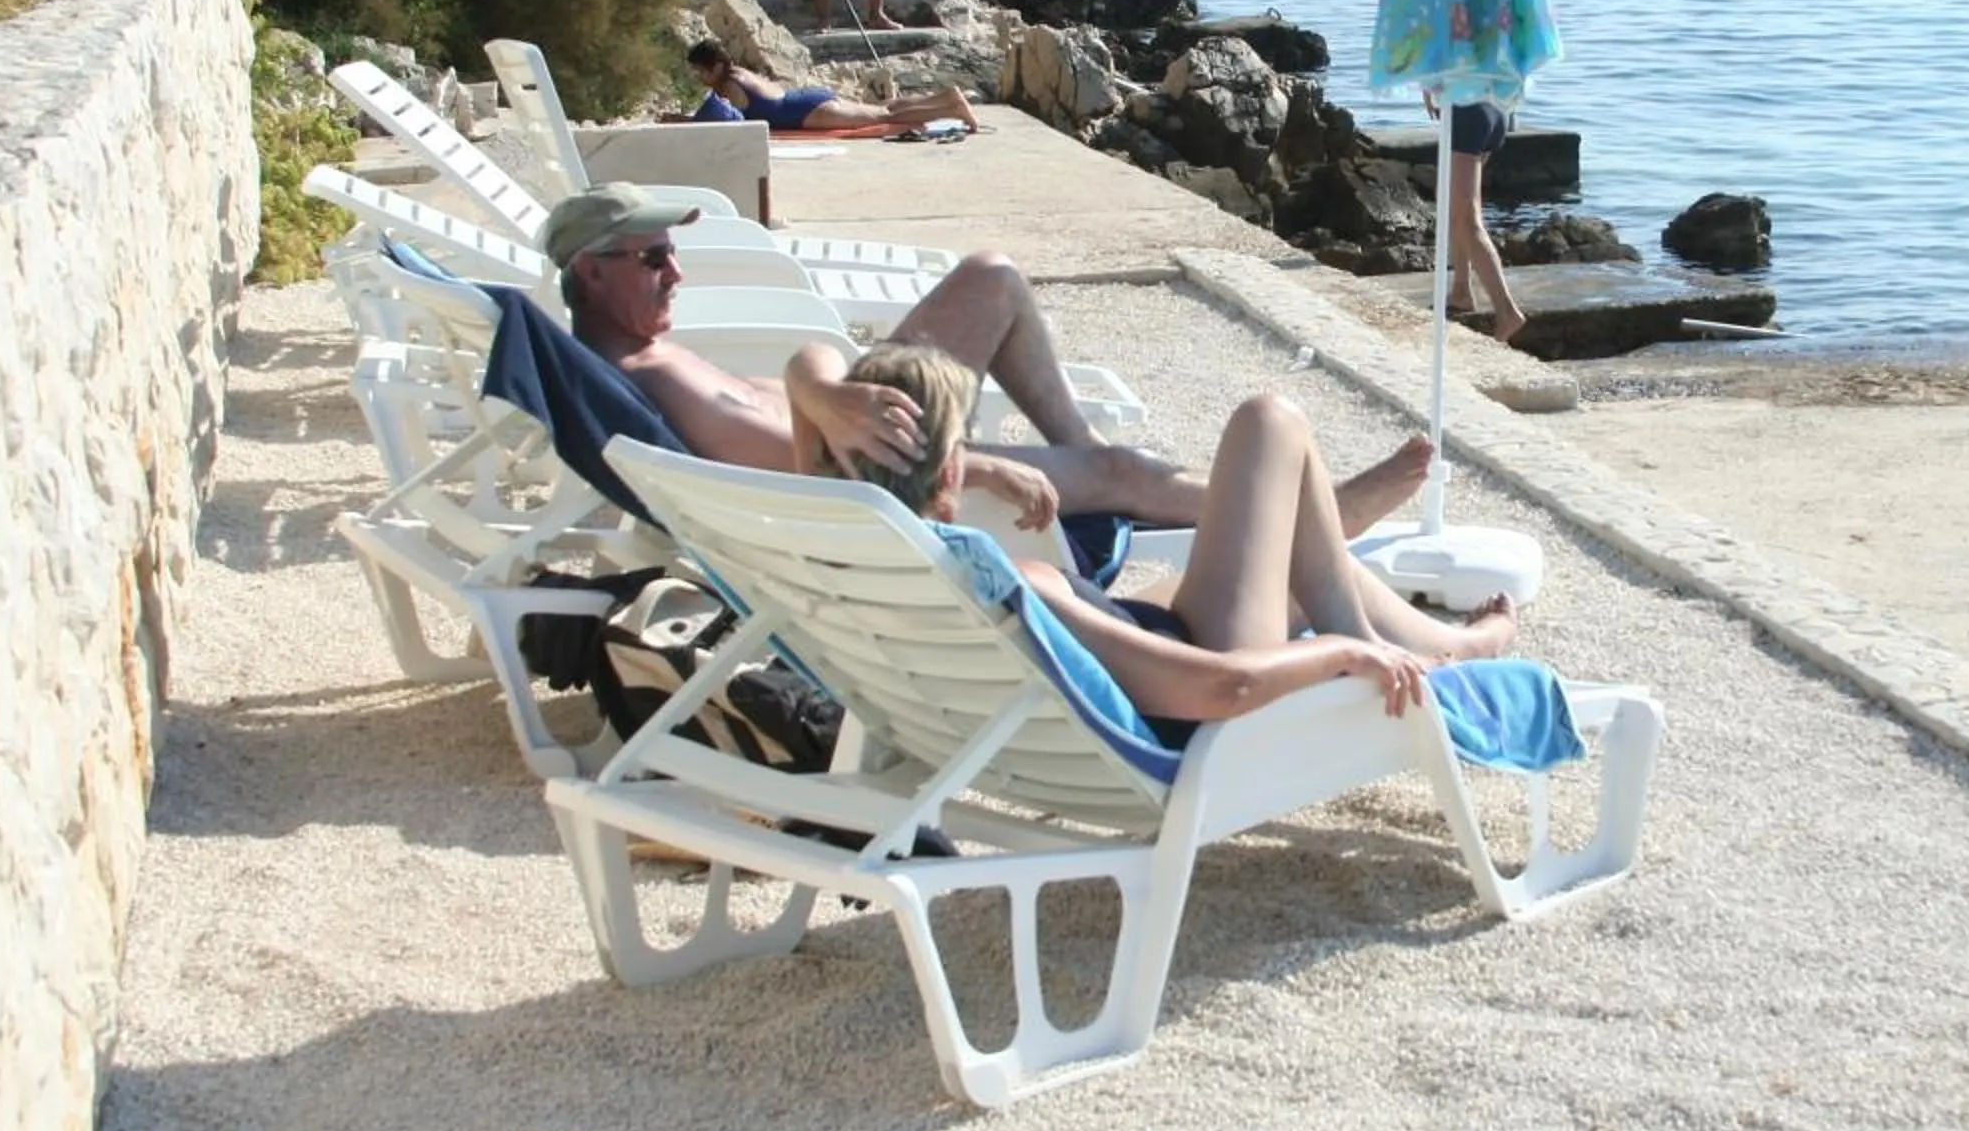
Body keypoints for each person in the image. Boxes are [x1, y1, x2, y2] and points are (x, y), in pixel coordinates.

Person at [543, 185, 1432, 537]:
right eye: (653, 258)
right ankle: (1311, 519)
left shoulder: (644, 358)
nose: (677, 270)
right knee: (1114, 467)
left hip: (861, 417)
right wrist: (983, 467)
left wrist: (819, 386)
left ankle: (1096, 467)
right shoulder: (650, 378)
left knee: (992, 278)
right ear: (591, 272)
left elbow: (800, 389)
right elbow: (802, 470)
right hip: (883, 469)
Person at [817, 342, 1518, 734]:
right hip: (1206, 692)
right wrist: (1343, 655)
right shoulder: (1010, 587)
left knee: (1291, 554)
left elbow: (806, 379)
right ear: (950, 470)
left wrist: (975, 464)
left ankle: (1452, 642)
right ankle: (1374, 633)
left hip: (1154, 633)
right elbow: (1223, 690)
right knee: (1268, 421)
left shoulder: (852, 554)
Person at [687, 42, 982, 135]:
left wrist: (682, 121)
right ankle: (946, 97)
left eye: (700, 71)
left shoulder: (727, 85)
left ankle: (952, 109)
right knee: (886, 107)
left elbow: (721, 124)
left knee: (884, 118)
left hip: (807, 113)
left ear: (713, 67)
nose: (700, 78)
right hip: (807, 98)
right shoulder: (739, 71)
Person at [1429, 90, 1527, 347]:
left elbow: (1442, 56)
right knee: (1454, 206)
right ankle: (1461, 290)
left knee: (1467, 222)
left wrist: (1428, 89)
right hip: (1495, 109)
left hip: (1467, 113)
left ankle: (1507, 311)